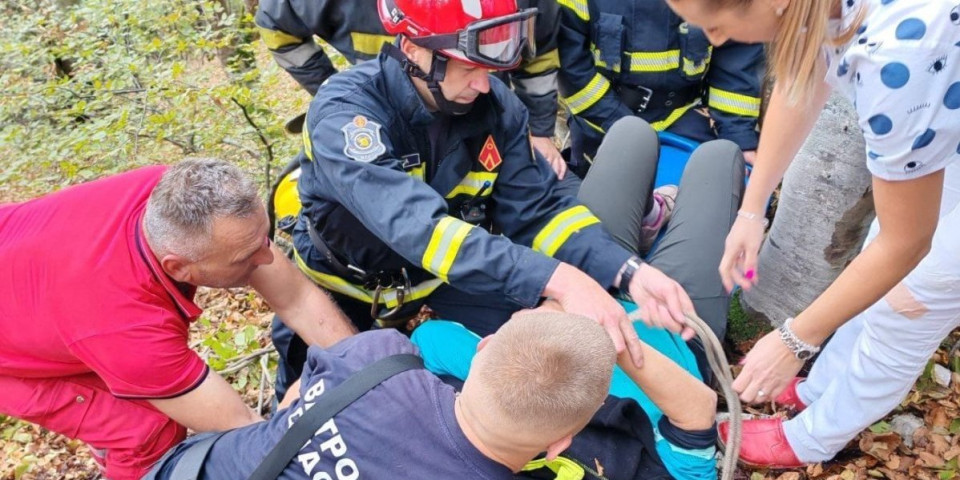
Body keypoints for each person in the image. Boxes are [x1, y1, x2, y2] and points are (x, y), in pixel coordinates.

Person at [274, 0, 746, 401]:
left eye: (492, 70)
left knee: (545, 363)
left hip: (440, 278)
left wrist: (626, 271)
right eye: (470, 69)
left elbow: (537, 212)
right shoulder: (347, 116)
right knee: (319, 401)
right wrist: (560, 278)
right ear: (415, 49)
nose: (485, 85)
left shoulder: (496, 106)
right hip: (342, 285)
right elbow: (421, 229)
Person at [667, 0, 960, 468]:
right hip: (943, 105)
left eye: (716, 25)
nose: (714, 40)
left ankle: (811, 439)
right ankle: (821, 388)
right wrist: (750, 212)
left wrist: (795, 339)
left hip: (930, 80)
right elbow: (802, 78)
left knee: (912, 299)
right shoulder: (811, 8)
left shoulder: (899, 57)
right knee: (879, 262)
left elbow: (907, 245)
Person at [0, 159, 355, 479]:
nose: (268, 256)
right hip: (19, 351)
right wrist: (302, 414)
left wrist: (360, 370)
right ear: (178, 267)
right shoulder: (130, 329)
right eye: (247, 255)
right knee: (147, 430)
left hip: (34, 279)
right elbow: (247, 431)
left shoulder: (172, 197)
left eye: (263, 237)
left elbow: (298, 297)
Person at [148, 309, 718, 480]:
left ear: (483, 349)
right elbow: (697, 413)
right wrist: (615, 345)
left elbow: (298, 395)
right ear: (560, 443)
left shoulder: (376, 360)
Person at [254, 0, 570, 173]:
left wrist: (539, 131)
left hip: (483, 114)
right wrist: (335, 90)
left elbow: (538, 54)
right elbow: (275, 23)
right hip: (389, 124)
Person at [555, 0, 765, 178]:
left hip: (685, 119)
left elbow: (736, 60)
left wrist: (738, 137)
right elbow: (571, 68)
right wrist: (620, 125)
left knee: (699, 201)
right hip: (602, 123)